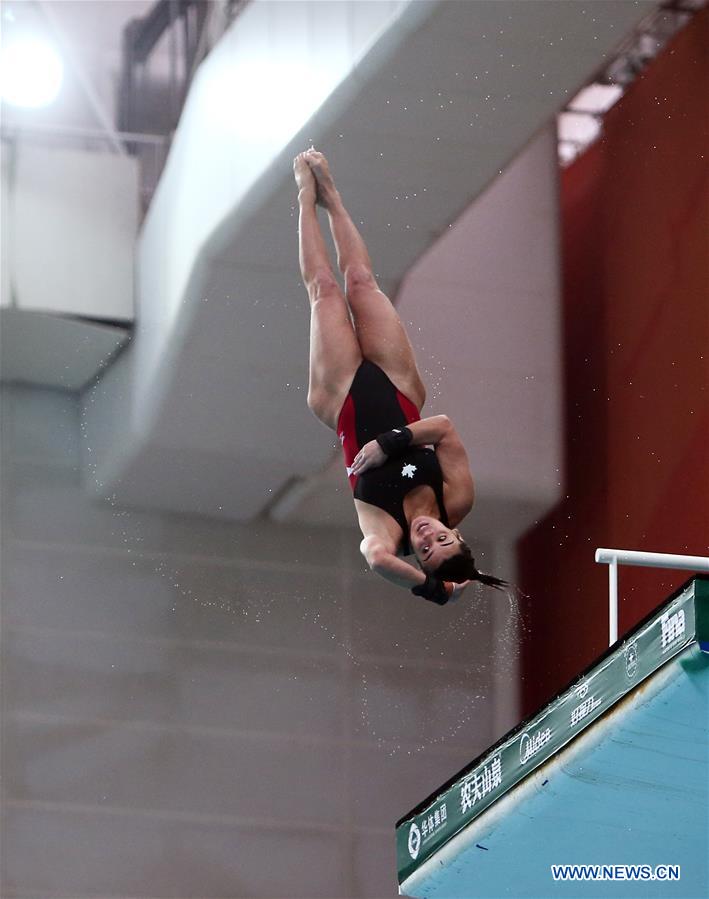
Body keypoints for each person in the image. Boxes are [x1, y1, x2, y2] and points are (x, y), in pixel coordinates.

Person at [293, 149, 507, 605]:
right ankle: (332, 195)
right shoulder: (458, 499)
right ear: (458, 534)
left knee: (325, 292)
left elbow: (376, 560)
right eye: (443, 540)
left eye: (425, 551)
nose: (428, 536)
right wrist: (389, 443)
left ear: (416, 560)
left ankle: (304, 198)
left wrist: (435, 591)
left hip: (342, 398)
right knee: (361, 283)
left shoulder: (386, 534)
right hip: (398, 387)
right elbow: (445, 428)